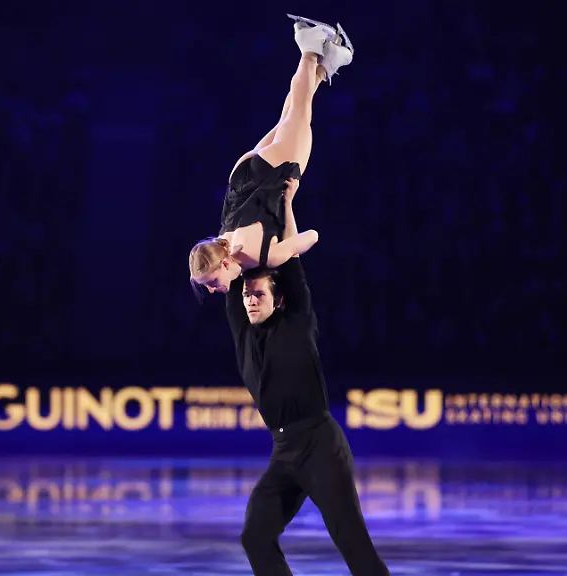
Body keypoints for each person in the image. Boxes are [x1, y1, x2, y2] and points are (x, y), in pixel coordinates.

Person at [228, 182, 389, 575]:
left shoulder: (297, 320)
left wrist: (286, 204)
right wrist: (231, 223)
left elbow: (292, 258)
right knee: (255, 535)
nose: (250, 299)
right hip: (284, 451)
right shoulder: (243, 331)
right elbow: (229, 269)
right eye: (247, 294)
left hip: (319, 444)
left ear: (277, 298)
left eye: (258, 294)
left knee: (352, 541)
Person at [189, 18, 353, 295]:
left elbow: (311, 237)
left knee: (301, 109)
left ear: (226, 266)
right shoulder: (222, 242)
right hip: (241, 174)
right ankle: (329, 61)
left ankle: (310, 45)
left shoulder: (264, 257)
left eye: (212, 283)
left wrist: (287, 218)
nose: (214, 290)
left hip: (274, 173)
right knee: (292, 113)